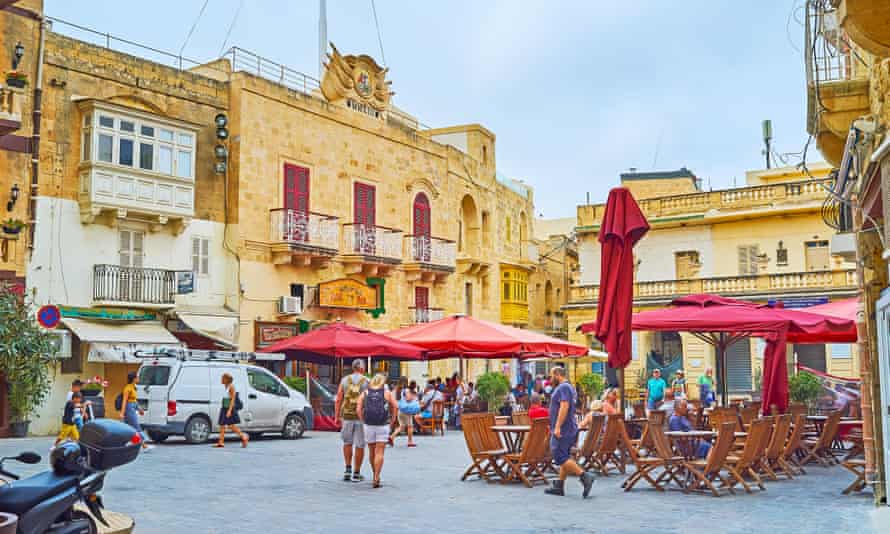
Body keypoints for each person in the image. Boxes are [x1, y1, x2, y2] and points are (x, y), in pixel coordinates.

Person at [544, 367, 596, 498]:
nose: (550, 379)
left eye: (551, 376)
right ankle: (559, 486)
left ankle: (585, 476)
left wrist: (557, 427)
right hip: (569, 427)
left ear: (557, 374)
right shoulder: (570, 388)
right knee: (564, 456)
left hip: (564, 428)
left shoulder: (563, 387)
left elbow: (564, 406)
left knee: (558, 455)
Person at [357, 374, 399, 488]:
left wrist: (362, 420)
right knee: (379, 452)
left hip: (368, 425)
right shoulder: (386, 393)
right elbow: (396, 406)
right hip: (383, 425)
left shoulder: (365, 393)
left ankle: (374, 473)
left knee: (371, 451)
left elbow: (358, 408)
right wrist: (393, 420)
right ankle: (376, 477)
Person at [335, 359, 369, 482]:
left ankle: (347, 470)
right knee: (360, 444)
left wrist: (337, 415)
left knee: (347, 442)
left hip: (347, 416)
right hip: (361, 417)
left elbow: (339, 398)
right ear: (361, 368)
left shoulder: (344, 380)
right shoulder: (366, 381)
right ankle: (356, 473)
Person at [119, 372, 152, 451]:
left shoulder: (133, 387)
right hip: (129, 408)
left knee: (129, 428)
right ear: (134, 379)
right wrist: (122, 413)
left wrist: (139, 409)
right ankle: (144, 446)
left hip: (132, 407)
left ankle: (131, 443)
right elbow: (124, 401)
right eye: (137, 377)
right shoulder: (127, 388)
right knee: (136, 427)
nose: (138, 378)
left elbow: (134, 400)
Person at [215, 372, 248, 448]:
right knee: (222, 425)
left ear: (226, 379)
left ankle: (244, 437)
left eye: (222, 378)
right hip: (224, 407)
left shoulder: (231, 387)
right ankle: (221, 442)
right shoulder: (226, 387)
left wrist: (229, 411)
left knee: (231, 426)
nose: (221, 380)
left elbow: (232, 399)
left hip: (229, 408)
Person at [390, 380, 419, 447]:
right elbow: (408, 399)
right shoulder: (407, 391)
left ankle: (391, 437)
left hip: (401, 410)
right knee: (410, 426)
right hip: (406, 411)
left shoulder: (399, 391)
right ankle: (410, 442)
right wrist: (413, 397)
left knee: (402, 426)